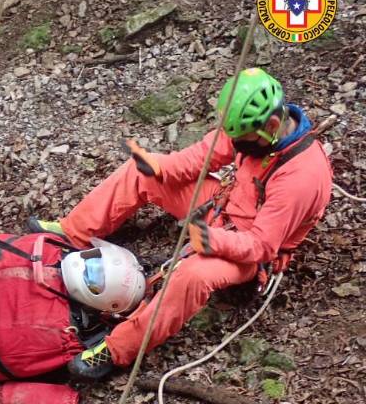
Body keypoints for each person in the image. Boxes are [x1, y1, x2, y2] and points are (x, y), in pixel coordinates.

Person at [29, 68, 333, 379]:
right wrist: (159, 167)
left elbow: (261, 246)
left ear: (270, 126)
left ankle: (118, 349)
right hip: (225, 205)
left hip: (250, 249)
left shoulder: (301, 178)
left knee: (192, 275)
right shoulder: (254, 129)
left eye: (241, 139)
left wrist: (213, 240)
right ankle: (71, 232)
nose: (236, 143)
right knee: (140, 173)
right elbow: (204, 156)